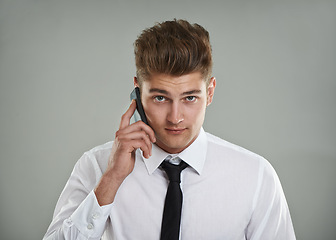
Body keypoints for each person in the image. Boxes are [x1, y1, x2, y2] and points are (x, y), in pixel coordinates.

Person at [43, 19, 296, 240]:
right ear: (138, 92)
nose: (175, 118)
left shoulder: (256, 176)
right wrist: (110, 181)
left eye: (189, 98)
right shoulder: (97, 167)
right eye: (160, 98)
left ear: (210, 92)